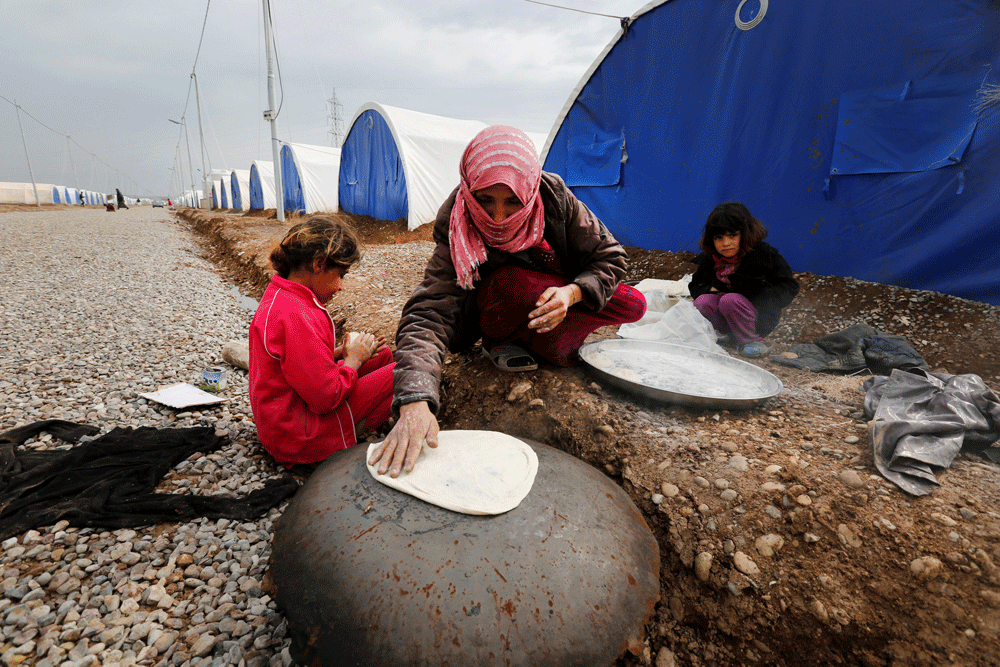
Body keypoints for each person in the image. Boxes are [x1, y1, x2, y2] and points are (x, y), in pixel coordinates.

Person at [368, 125, 646, 478]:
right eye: (485, 200)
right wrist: (415, 401)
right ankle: (504, 340)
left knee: (633, 303)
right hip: (496, 303)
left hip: (550, 287)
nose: (498, 218)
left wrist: (570, 294)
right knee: (516, 285)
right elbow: (428, 314)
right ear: (469, 191)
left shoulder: (554, 197)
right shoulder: (457, 220)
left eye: (513, 201)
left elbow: (610, 256)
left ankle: (544, 330)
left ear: (530, 191)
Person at [248, 216, 395, 467]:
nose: (341, 287)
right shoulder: (296, 315)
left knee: (382, 356)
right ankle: (336, 442)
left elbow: (296, 366)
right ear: (318, 264)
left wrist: (338, 354)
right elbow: (326, 398)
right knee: (403, 371)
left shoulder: (284, 297)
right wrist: (353, 360)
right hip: (299, 438)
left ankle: (347, 430)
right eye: (341, 275)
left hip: (282, 423)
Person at [689, 202, 799, 359]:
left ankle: (752, 341)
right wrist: (709, 290)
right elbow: (695, 283)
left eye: (732, 235)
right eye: (719, 238)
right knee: (703, 302)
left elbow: (789, 286)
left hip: (757, 317)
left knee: (729, 300)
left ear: (744, 234)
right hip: (726, 315)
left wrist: (764, 298)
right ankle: (723, 336)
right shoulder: (711, 258)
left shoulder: (763, 255)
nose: (726, 243)